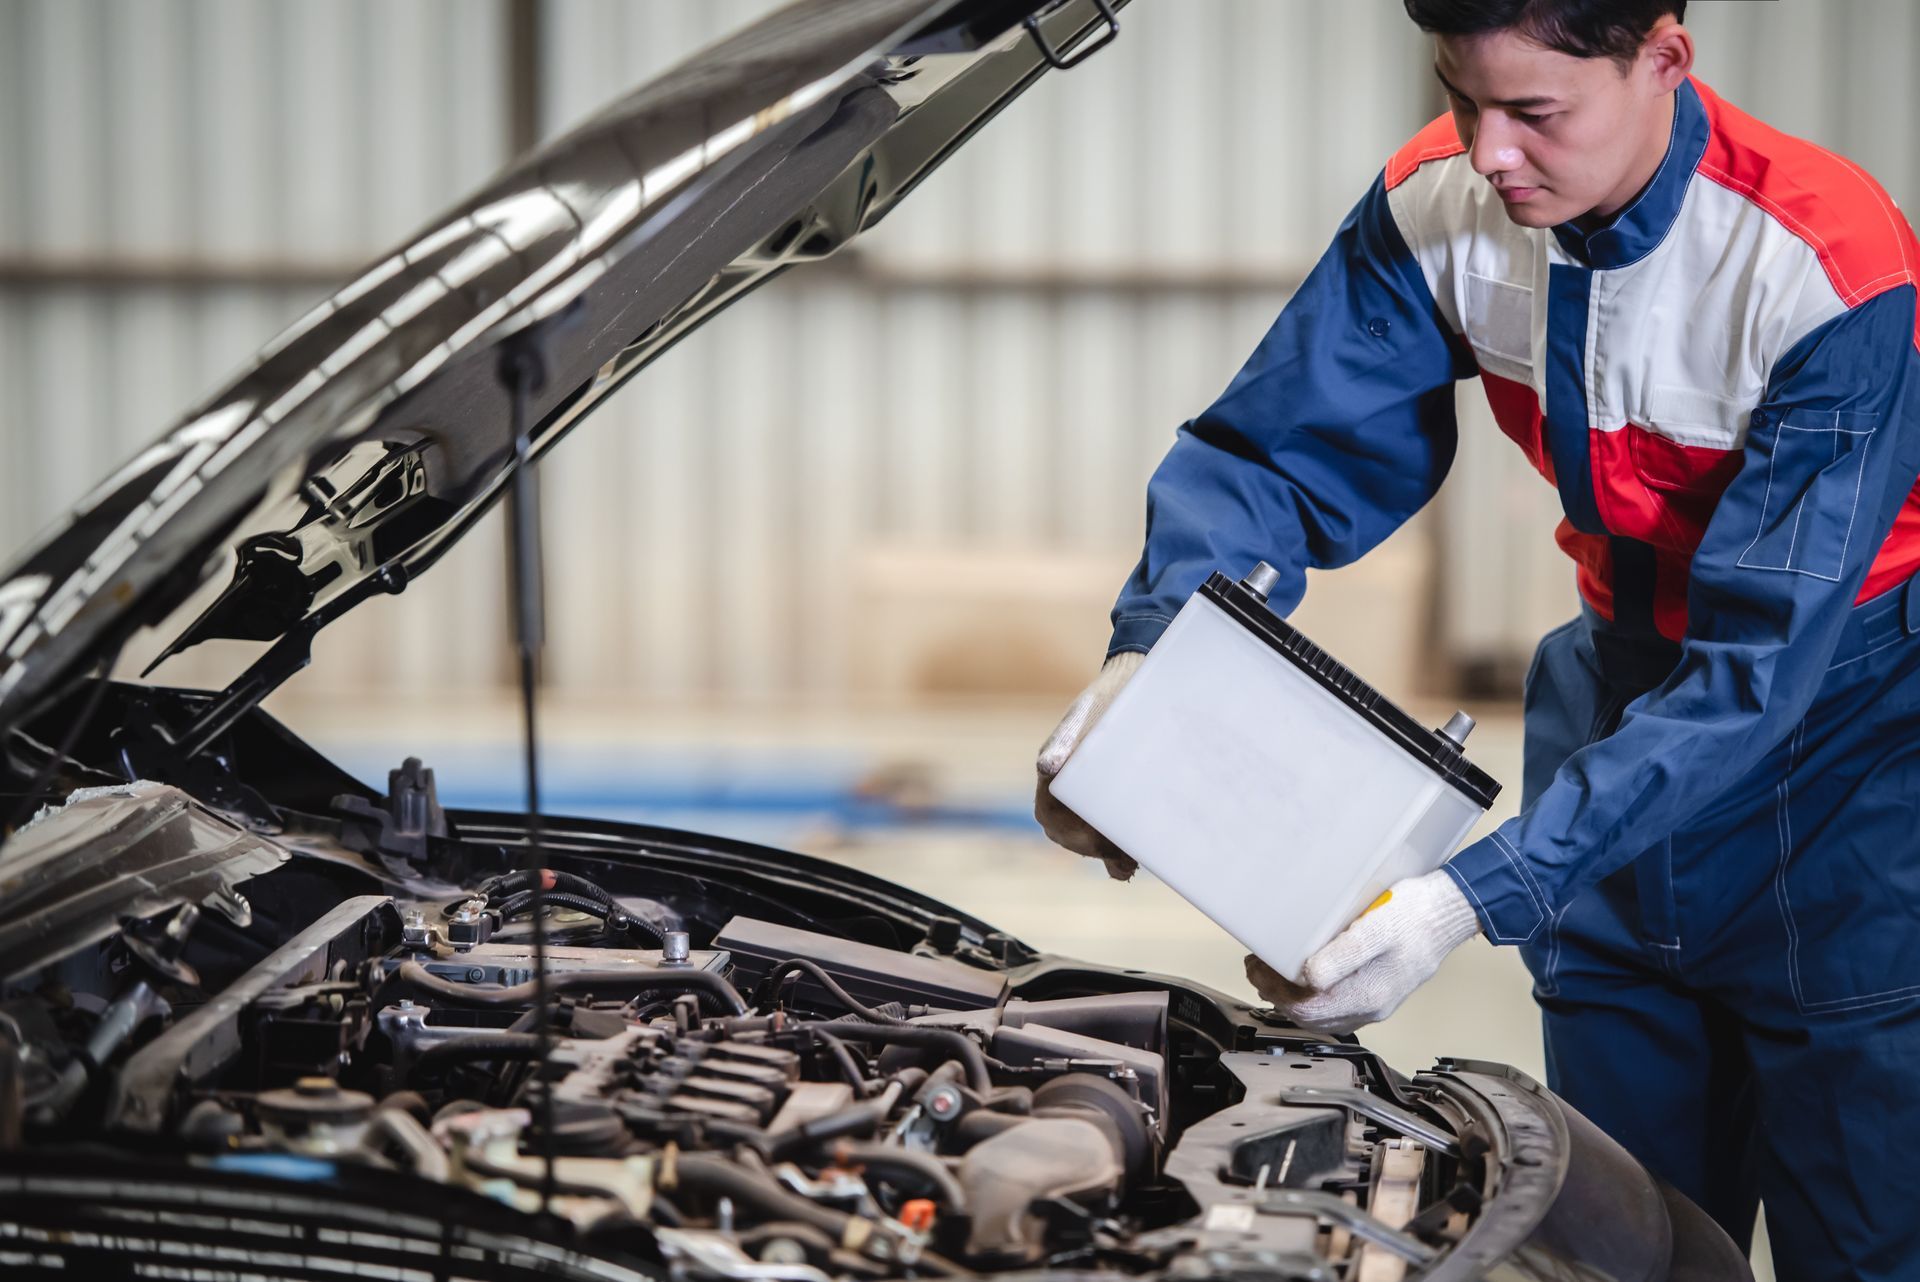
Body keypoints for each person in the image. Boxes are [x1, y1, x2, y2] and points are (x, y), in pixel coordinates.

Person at [1033, 1, 1920, 1274]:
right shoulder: (1438, 204)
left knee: (1870, 1229)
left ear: (1664, 59)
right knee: (1620, 1230)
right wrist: (1149, 663)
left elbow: (1756, 670)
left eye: (1537, 113)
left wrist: (1465, 899)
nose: (1490, 153)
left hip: (1848, 760)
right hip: (1614, 698)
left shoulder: (1824, 265)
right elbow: (1271, 456)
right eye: (1464, 99)